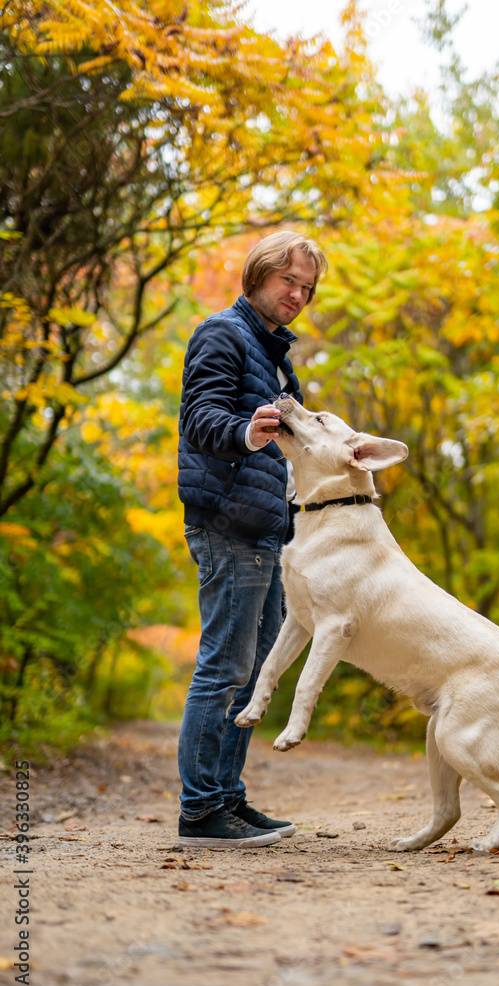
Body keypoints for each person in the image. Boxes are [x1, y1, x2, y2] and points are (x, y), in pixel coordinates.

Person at [176, 231, 328, 848]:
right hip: (228, 525)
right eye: (289, 281)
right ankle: (200, 810)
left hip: (269, 531)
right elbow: (201, 417)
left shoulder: (272, 355)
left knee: (254, 672)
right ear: (260, 273)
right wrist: (248, 430)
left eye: (307, 288)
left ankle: (228, 799)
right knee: (225, 667)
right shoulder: (223, 332)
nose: (298, 295)